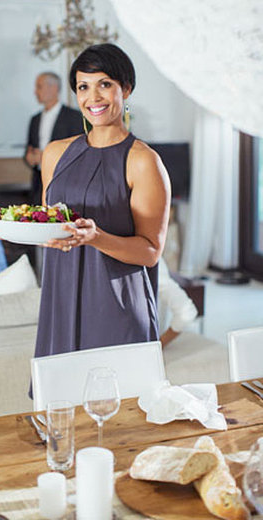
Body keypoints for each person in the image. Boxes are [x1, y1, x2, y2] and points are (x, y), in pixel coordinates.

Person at [33, 43, 171, 364]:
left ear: (126, 88)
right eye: (83, 87)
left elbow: (151, 252)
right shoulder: (54, 153)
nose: (92, 98)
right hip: (61, 299)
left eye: (104, 85)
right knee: (61, 405)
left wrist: (96, 237)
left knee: (119, 408)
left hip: (116, 305)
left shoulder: (143, 161)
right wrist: (16, 230)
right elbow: (47, 225)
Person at [24, 72, 83, 204]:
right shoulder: (35, 119)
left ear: (54, 88)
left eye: (39, 87)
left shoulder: (74, 117)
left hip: (66, 185)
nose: (35, 92)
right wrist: (29, 158)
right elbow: (28, 151)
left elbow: (80, 153)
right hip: (38, 185)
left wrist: (47, 157)